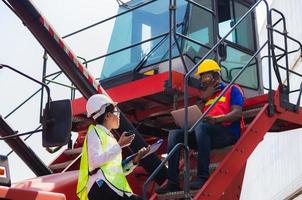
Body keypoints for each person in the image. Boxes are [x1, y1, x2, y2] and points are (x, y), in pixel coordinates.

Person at [156, 59, 244, 193]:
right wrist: (204, 98)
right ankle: (172, 182)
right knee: (175, 134)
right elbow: (194, 114)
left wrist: (216, 120)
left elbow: (237, 113)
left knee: (202, 127)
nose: (203, 81)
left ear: (216, 75)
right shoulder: (206, 97)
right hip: (205, 135)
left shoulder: (233, 89)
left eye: (206, 76)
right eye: (201, 77)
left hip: (227, 133)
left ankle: (203, 176)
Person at [77, 94, 150, 200]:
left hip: (110, 186)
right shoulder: (95, 131)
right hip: (102, 186)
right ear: (107, 115)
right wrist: (119, 145)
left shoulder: (110, 138)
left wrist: (135, 160)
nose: (119, 115)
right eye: (117, 112)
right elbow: (95, 162)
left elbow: (115, 170)